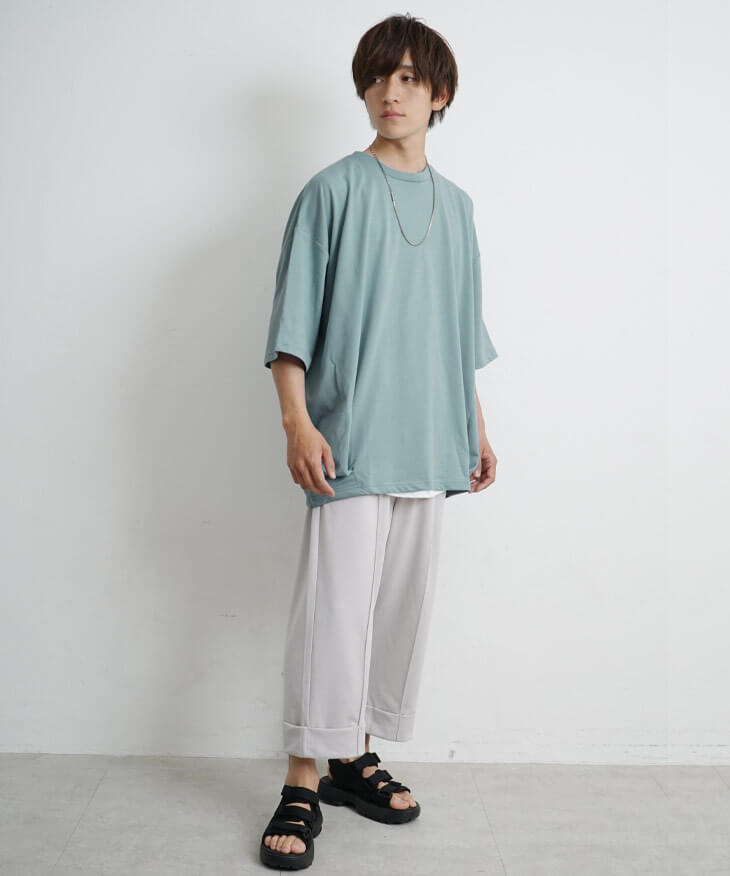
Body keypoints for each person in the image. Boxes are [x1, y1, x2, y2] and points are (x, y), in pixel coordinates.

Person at [259, 13, 498, 870]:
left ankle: (353, 759)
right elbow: (291, 327)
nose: (389, 92)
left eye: (407, 78)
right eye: (377, 77)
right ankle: (300, 779)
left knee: (398, 613)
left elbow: (457, 335)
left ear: (439, 93)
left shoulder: (459, 208)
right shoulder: (331, 191)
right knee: (331, 616)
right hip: (351, 442)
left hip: (432, 440)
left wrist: (476, 428)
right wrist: (299, 422)